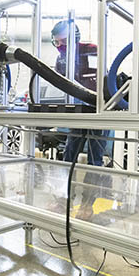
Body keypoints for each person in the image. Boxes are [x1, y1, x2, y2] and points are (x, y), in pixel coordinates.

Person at [51, 19, 107, 167]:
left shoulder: (91, 50)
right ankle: (65, 184)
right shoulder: (61, 59)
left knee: (96, 155)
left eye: (63, 41)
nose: (60, 46)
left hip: (98, 107)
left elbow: (100, 78)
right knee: (70, 151)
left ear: (75, 38)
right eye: (56, 42)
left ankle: (95, 187)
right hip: (78, 108)